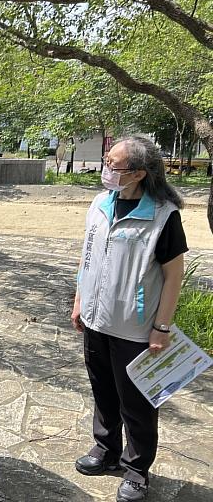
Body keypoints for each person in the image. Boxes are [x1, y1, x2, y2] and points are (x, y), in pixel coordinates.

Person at [71, 136, 186, 502]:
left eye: (114, 164)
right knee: (103, 391)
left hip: (135, 327)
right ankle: (106, 450)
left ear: (138, 173)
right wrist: (80, 299)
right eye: (106, 160)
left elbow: (173, 275)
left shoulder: (163, 215)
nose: (106, 169)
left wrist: (161, 326)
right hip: (95, 319)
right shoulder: (100, 203)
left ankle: (136, 470)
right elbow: (87, 255)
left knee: (137, 404)